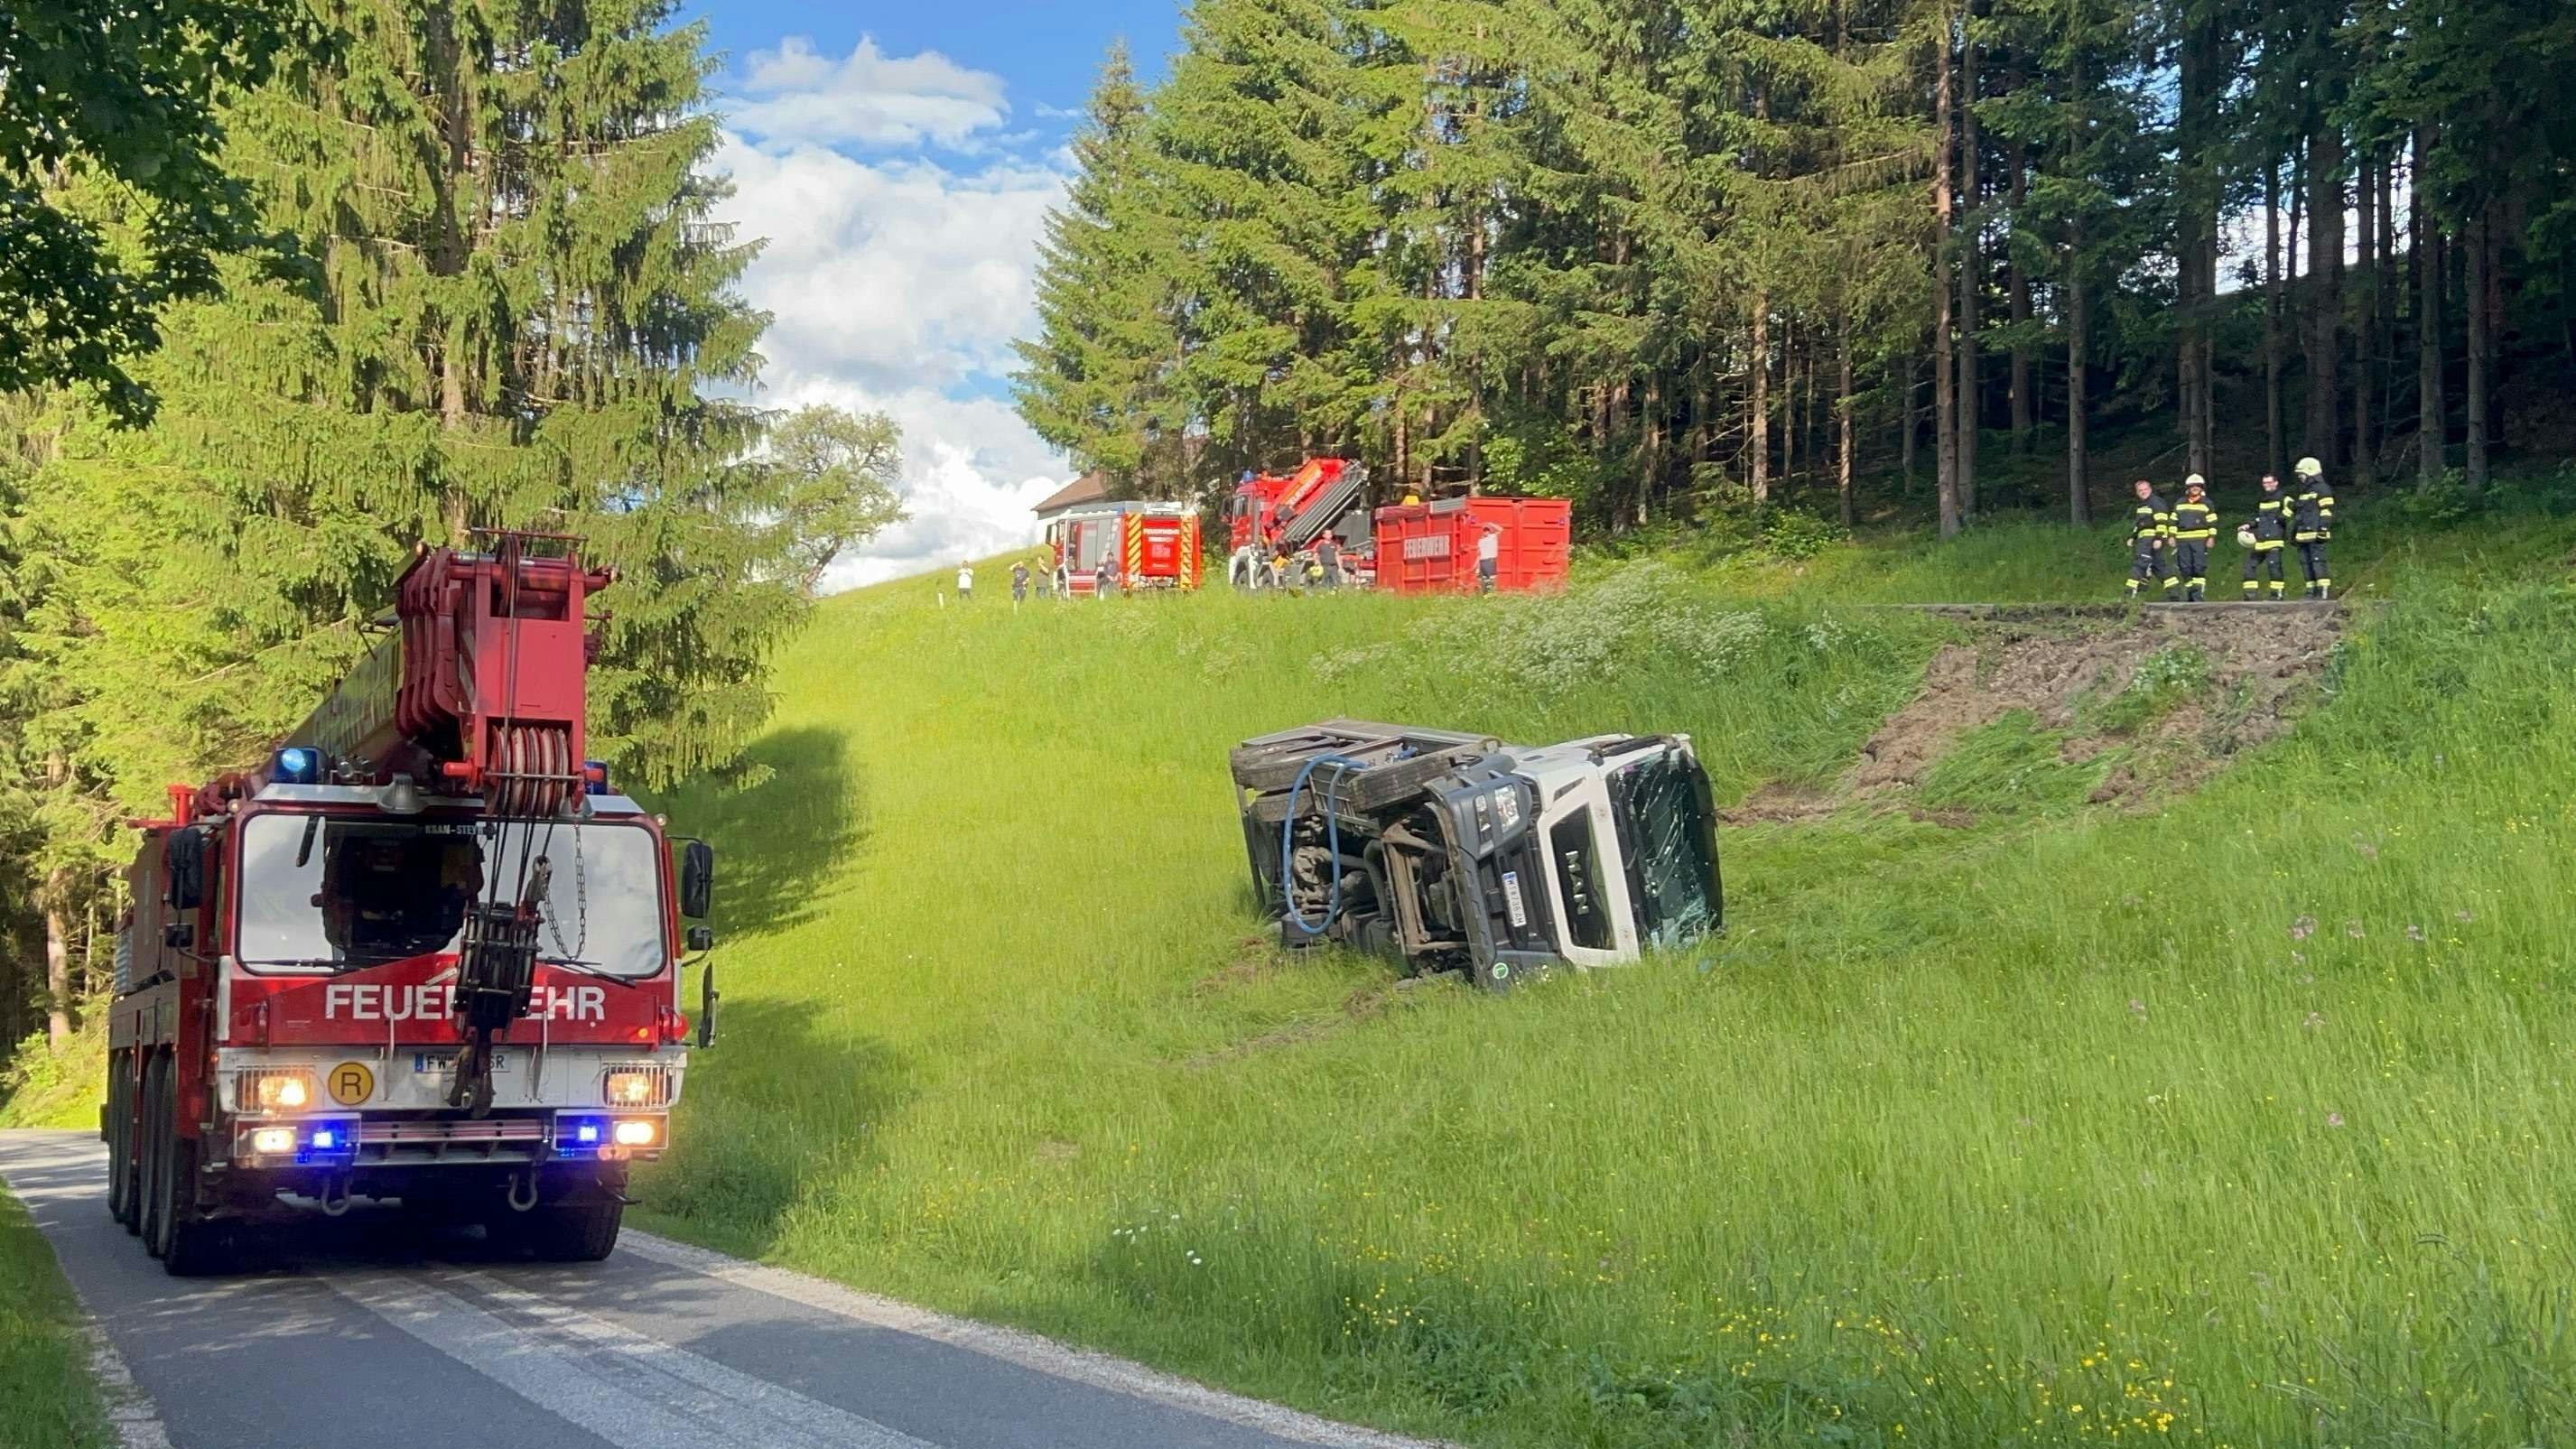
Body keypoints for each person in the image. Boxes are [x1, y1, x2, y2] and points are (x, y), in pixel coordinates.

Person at [2290, 456, 2335, 599]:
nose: (2300, 477)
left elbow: (2326, 511)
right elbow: (2300, 513)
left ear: (2310, 471)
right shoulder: (2304, 491)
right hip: (2303, 534)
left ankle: (2323, 591)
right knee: (2305, 563)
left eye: (2301, 474)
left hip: (2316, 533)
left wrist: (2323, 529)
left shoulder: (2322, 489)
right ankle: (2311, 591)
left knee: (2318, 561)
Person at [2123, 478, 2175, 600]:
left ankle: (2129, 594)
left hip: (2151, 539)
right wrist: (2133, 536)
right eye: (2140, 490)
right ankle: (2174, 595)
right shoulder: (2142, 505)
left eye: (2145, 489)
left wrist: (2159, 538)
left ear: (2150, 489)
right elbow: (2140, 524)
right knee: (2159, 566)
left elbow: (2162, 521)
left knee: (2140, 563)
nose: (2143, 492)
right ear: (2137, 492)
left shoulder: (2156, 502)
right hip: (2144, 539)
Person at [2241, 473, 2291, 599]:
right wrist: (2249, 525)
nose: (2267, 485)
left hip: (2274, 540)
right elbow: (2261, 519)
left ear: (2276, 483)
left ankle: (2277, 595)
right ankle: (2250, 595)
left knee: (2274, 568)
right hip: (2260, 540)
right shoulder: (2263, 500)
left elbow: (2292, 509)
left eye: (2269, 482)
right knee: (2249, 566)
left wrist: (2281, 518)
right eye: (2265, 483)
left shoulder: (2283, 498)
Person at [2169, 475, 2218, 602]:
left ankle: (2197, 596)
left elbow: (2212, 522)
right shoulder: (2180, 503)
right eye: (2192, 486)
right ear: (2188, 488)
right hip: (2182, 540)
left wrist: (2211, 537)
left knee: (2199, 567)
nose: (2195, 488)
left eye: (2198, 486)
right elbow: (2173, 521)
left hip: (2200, 540)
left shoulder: (2207, 503)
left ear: (2201, 487)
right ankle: (2191, 591)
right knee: (2184, 568)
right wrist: (2172, 536)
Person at [1475, 521, 1503, 594]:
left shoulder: (1493, 537)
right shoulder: (1480, 540)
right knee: (1483, 580)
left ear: (1490, 531)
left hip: (1490, 561)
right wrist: (1476, 566)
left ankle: (1492, 594)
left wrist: (1491, 524)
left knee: (1491, 579)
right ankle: (1485, 594)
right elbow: (1479, 554)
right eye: (1484, 530)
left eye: (1487, 530)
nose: (1486, 532)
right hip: (1482, 561)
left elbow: (1501, 529)